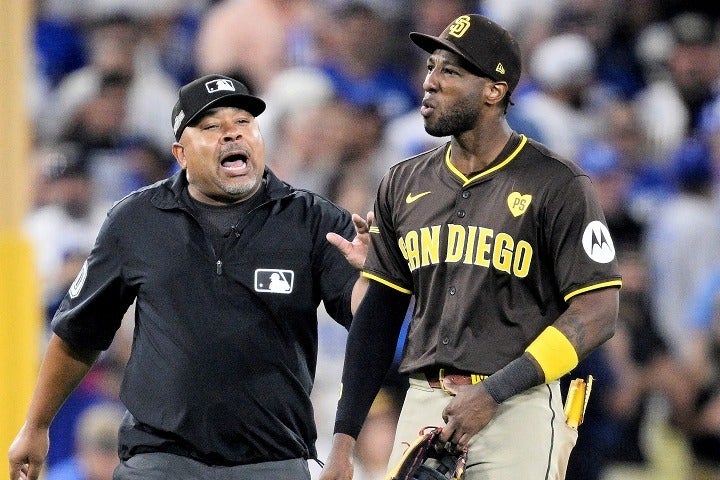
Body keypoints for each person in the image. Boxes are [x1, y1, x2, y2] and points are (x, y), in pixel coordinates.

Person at [9, 73, 371, 480]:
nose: (232, 135)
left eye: (243, 123)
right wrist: (36, 426)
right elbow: (79, 333)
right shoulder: (136, 220)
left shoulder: (314, 220)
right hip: (161, 460)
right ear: (180, 153)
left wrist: (372, 278)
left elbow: (365, 318)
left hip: (272, 461)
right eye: (212, 126)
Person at [320, 14, 622, 480]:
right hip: (422, 401)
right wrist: (343, 442)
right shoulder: (402, 182)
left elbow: (599, 311)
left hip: (516, 405)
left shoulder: (557, 184)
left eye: (450, 72)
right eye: (430, 68)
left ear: (494, 90)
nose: (430, 83)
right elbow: (378, 318)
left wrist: (495, 391)